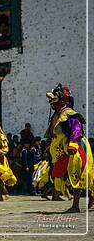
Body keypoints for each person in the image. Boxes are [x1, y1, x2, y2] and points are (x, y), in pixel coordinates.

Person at [45, 84, 94, 212]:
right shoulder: (57, 114)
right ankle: (91, 195)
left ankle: (76, 206)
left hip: (75, 146)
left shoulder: (70, 114)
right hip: (63, 150)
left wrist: (73, 145)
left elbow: (76, 130)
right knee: (61, 174)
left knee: (76, 173)